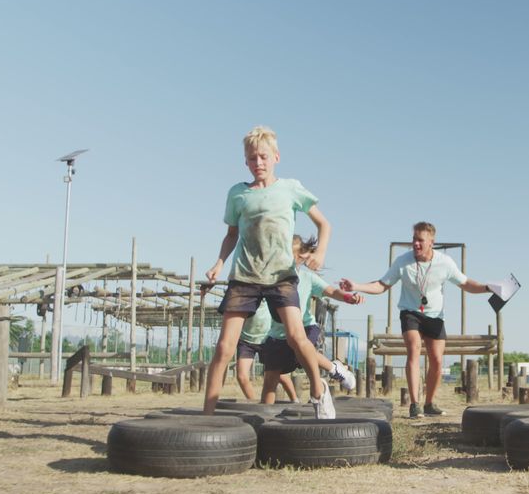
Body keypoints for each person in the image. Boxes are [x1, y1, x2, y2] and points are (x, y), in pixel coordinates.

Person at [201, 125, 335, 418]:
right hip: (245, 277)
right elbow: (231, 234)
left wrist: (320, 252)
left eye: (263, 157)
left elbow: (324, 225)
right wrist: (218, 263)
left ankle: (318, 390)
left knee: (297, 337)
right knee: (225, 347)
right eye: (252, 159)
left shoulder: (290, 189)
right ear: (245, 162)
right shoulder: (238, 194)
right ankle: (207, 416)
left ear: (276, 156)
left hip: (281, 277)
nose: (258, 163)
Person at [340, 222, 493, 419]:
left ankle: (429, 403)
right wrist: (357, 286)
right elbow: (381, 285)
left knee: (437, 360)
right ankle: (414, 404)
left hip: (435, 315)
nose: (416, 244)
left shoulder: (445, 262)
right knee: (414, 348)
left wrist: (488, 287)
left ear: (431, 242)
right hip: (410, 312)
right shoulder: (402, 262)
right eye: (414, 239)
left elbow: (466, 284)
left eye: (420, 240)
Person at [261, 235, 361, 403]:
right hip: (278, 334)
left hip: (305, 327)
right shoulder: (270, 277)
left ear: (299, 258)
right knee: (271, 377)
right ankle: (264, 415)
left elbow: (331, 291)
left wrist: (348, 297)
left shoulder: (307, 278)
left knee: (304, 351)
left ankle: (329, 376)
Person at [234, 302, 298, 401]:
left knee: (280, 375)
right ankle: (255, 404)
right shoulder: (243, 296)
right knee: (242, 376)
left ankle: (295, 400)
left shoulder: (268, 294)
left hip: (266, 338)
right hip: (245, 340)